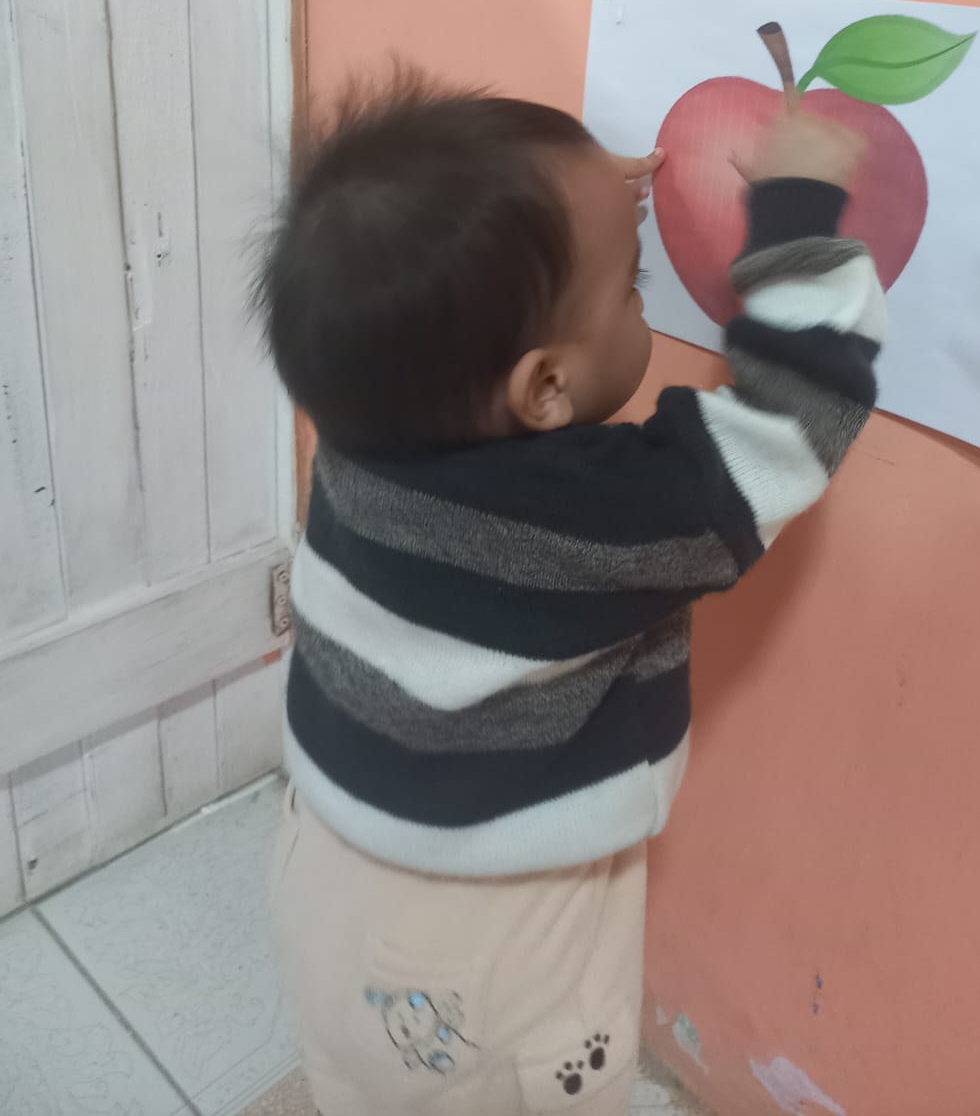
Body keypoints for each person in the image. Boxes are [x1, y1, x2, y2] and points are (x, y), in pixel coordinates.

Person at [258, 61, 881, 1115]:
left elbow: (424, 238)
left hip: (323, 866)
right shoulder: (582, 519)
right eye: (634, 283)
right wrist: (798, 217)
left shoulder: (363, 434)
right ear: (546, 384)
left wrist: (578, 200)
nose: (643, 293)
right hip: (498, 942)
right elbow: (788, 426)